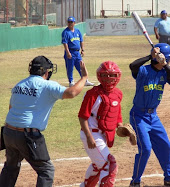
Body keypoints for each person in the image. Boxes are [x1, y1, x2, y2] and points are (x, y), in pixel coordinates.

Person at [0, 56, 88, 187]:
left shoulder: (20, 84)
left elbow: (11, 108)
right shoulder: (47, 85)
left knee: (11, 167)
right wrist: (84, 77)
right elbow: (72, 92)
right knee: (46, 170)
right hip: (28, 135)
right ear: (46, 72)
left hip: (8, 132)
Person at [129, 43, 170, 187]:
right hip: (139, 116)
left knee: (165, 145)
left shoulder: (164, 73)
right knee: (146, 149)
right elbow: (132, 66)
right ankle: (135, 182)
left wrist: (164, 64)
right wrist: (150, 56)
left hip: (153, 117)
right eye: (168, 59)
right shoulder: (143, 71)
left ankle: (169, 178)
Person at [78, 61, 123, 187]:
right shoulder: (93, 94)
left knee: (99, 165)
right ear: (99, 76)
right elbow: (82, 118)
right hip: (91, 134)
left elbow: (116, 113)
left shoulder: (118, 93)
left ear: (118, 76)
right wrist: (89, 137)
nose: (109, 79)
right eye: (105, 76)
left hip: (102, 135)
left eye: (112, 75)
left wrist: (121, 126)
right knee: (109, 164)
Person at [62, 16, 94, 87]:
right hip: (70, 52)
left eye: (71, 22)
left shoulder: (77, 31)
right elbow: (65, 43)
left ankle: (85, 80)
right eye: (69, 22)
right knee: (70, 67)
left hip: (77, 52)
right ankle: (71, 81)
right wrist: (67, 52)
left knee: (81, 66)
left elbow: (81, 40)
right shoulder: (65, 32)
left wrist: (82, 49)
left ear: (74, 23)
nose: (70, 24)